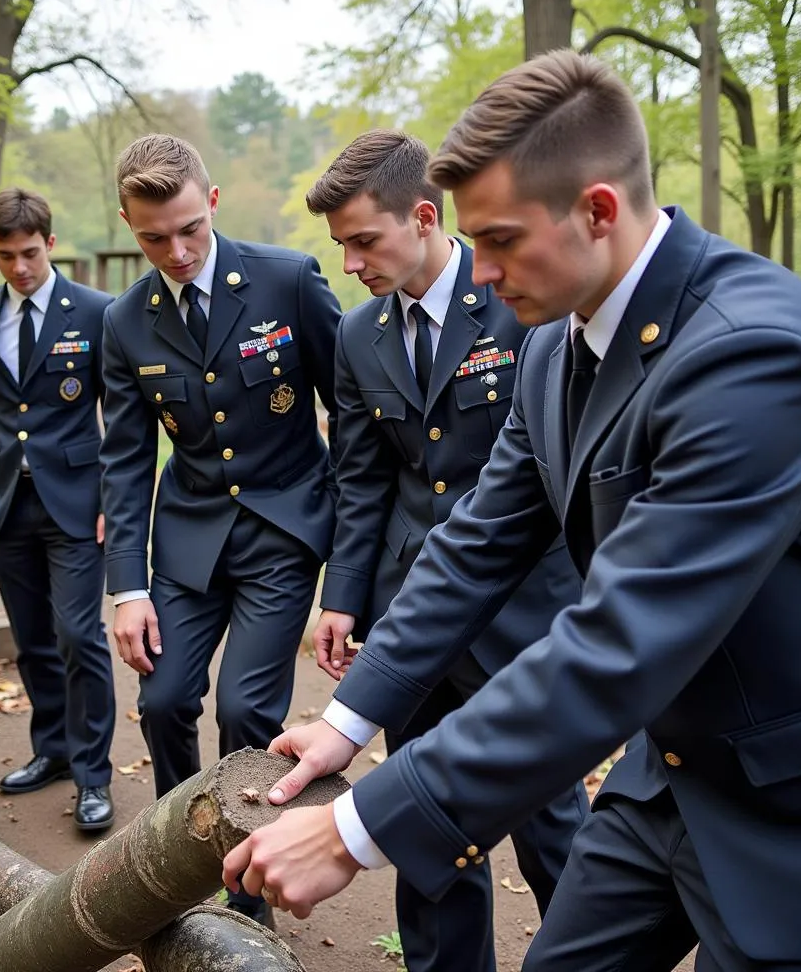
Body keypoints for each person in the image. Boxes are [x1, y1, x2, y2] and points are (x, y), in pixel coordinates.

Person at [223, 50, 801, 971]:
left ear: (598, 212)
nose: (480, 274)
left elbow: (621, 639)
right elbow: (474, 546)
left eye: (498, 240)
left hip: (782, 805)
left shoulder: (748, 356)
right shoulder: (552, 348)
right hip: (670, 778)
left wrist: (360, 827)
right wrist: (347, 723)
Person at [305, 128, 585, 972]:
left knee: (551, 827)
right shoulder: (358, 336)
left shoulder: (521, 303)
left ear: (424, 217)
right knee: (426, 829)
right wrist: (344, 595)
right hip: (409, 609)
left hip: (522, 609)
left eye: (363, 240)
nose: (351, 262)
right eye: (341, 247)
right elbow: (361, 479)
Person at [100, 133, 341, 924]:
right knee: (166, 699)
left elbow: (352, 411)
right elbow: (127, 462)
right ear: (130, 225)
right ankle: (182, 854)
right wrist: (128, 588)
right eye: (151, 237)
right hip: (188, 540)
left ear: (210, 203)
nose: (173, 250)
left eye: (187, 230)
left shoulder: (287, 280)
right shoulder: (125, 321)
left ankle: (244, 890)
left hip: (283, 531)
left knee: (244, 711)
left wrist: (348, 556)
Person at [0, 188, 117, 832]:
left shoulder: (96, 311)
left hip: (77, 506)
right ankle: (51, 748)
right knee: (33, 642)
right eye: (5, 256)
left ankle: (94, 775)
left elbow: (124, 418)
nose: (19, 268)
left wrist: (112, 499)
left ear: (50, 243)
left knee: (79, 637)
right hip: (5, 506)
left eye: (28, 253)